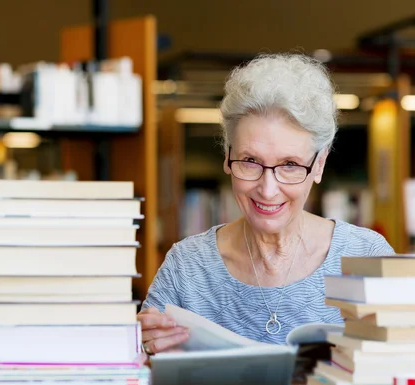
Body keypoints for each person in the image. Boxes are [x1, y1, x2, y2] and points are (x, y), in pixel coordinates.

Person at [138, 53, 395, 354]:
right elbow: (141, 377)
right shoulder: (188, 267)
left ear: (319, 165)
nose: (268, 189)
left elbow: (412, 371)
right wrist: (144, 349)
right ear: (227, 156)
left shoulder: (366, 257)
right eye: (250, 161)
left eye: (289, 164)